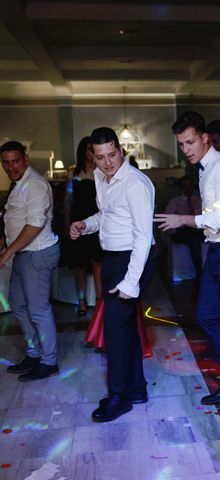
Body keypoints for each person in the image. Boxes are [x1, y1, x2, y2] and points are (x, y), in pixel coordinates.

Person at [155, 111, 220, 412]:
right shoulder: (204, 168)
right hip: (217, 251)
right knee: (207, 315)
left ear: (205, 138)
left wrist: (182, 219)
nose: (186, 150)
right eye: (181, 144)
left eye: (190, 142)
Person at [70, 127, 156, 422]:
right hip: (112, 257)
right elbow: (107, 215)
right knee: (125, 328)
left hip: (133, 258)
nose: (107, 163)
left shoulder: (134, 183)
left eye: (112, 155)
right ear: (92, 157)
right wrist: (85, 224)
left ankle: (119, 396)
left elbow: (144, 236)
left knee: (116, 331)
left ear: (120, 150)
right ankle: (136, 389)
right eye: (100, 157)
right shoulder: (100, 177)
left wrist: (131, 282)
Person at [1, 141, 61, 381]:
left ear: (25, 159)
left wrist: (7, 253)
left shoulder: (35, 184)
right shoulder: (19, 183)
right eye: (6, 162)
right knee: (17, 303)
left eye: (15, 161)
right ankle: (35, 352)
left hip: (37, 252)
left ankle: (49, 361)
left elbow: (35, 225)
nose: (11, 166)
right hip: (24, 253)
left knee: (38, 310)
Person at [65, 136, 103, 316]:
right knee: (79, 264)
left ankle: (99, 301)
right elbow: (68, 200)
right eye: (87, 149)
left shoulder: (101, 171)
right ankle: (81, 302)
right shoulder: (73, 173)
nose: (90, 153)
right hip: (78, 219)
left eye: (92, 149)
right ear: (82, 151)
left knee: (98, 262)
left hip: (96, 220)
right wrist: (66, 223)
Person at [164, 176, 204, 277]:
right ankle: (200, 270)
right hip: (181, 231)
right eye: (185, 186)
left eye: (190, 186)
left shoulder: (198, 200)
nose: (188, 188)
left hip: (199, 228)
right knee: (193, 235)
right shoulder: (175, 202)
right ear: (181, 188)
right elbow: (167, 219)